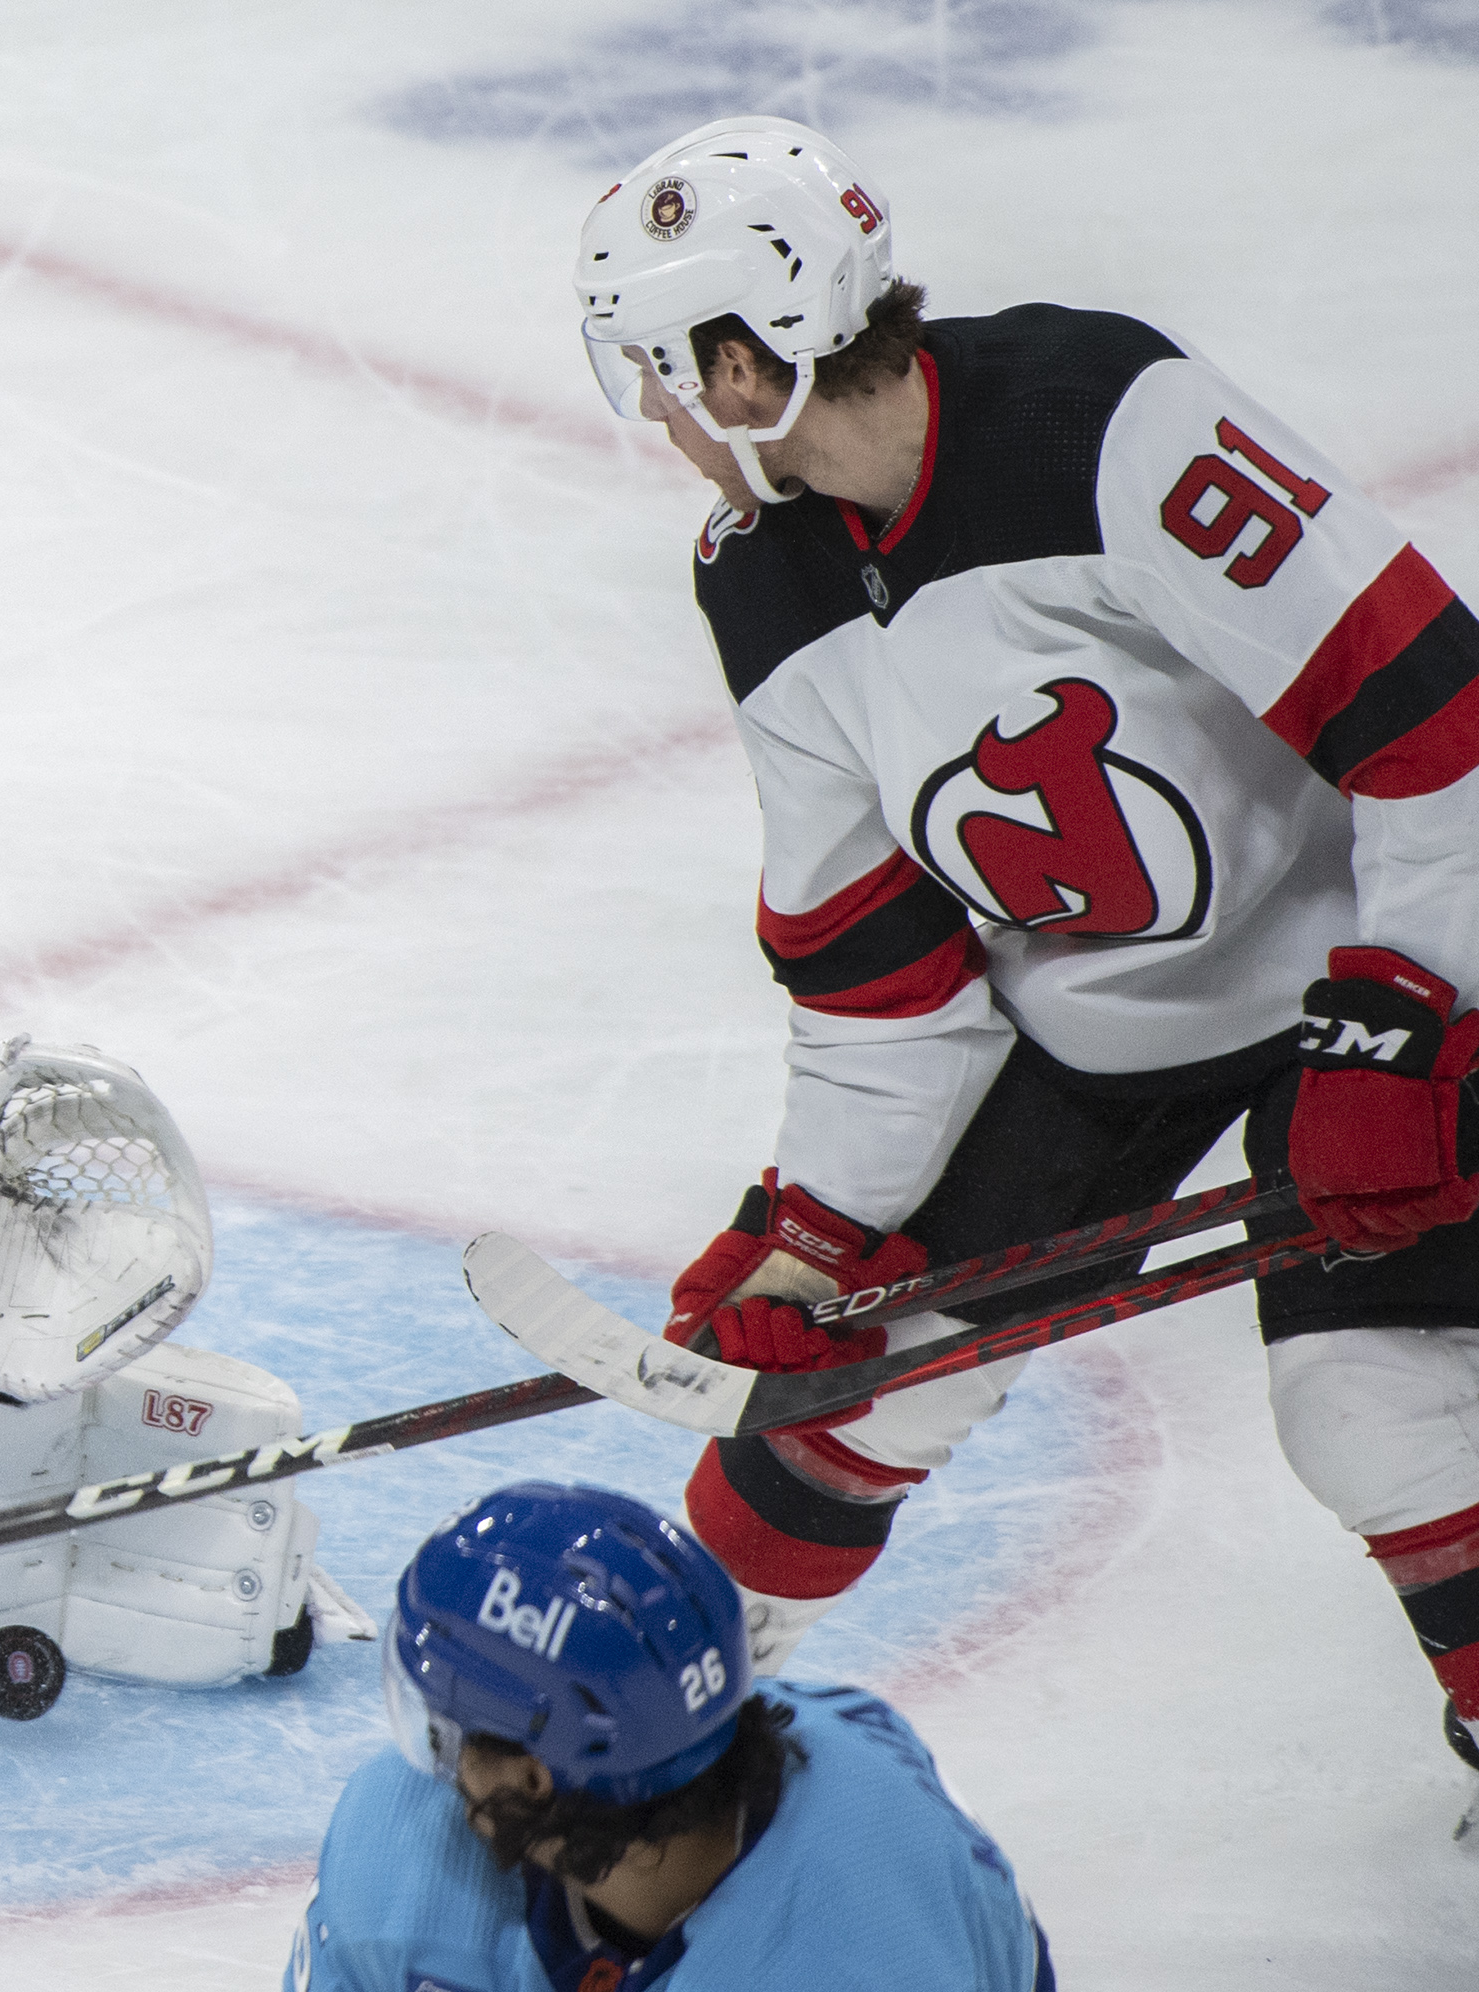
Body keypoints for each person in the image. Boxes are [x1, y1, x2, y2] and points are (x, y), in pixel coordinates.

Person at [572, 117, 1479, 1782]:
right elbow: (881, 974)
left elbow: (1440, 726)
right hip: (1104, 1019)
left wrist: (1415, 1032)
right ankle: (644, 1764)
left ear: (745, 361)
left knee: (1379, 1397)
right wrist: (818, 1230)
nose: (655, 422)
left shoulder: (1110, 421)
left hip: (1383, 952)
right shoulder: (763, 581)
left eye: (662, 375)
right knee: (840, 1392)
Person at [287, 1482, 1051, 1990]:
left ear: (531, 1778)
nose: (438, 1774)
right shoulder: (401, 1851)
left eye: (451, 1736)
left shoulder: (859, 1956)